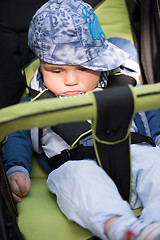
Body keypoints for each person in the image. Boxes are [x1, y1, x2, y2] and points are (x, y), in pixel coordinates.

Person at [2, 0, 160, 239]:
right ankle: (122, 229)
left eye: (84, 68)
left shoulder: (122, 83)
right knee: (76, 182)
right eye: (56, 71)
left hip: (134, 152)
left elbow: (149, 110)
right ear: (42, 66)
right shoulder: (36, 101)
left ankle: (155, 222)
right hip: (76, 165)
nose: (71, 80)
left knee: (155, 165)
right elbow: (17, 131)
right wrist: (16, 168)